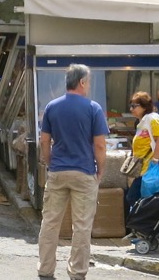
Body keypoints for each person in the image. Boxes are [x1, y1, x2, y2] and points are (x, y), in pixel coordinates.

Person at [37, 64, 108, 280]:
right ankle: (77, 272)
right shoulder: (93, 108)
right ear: (82, 82)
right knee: (82, 227)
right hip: (84, 172)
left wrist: (50, 162)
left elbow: (44, 141)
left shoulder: (52, 106)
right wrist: (100, 171)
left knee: (50, 223)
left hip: (58, 171)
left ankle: (45, 269)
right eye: (88, 82)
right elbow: (100, 146)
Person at [126, 91, 159, 209]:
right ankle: (142, 225)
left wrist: (155, 160)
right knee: (141, 200)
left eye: (134, 106)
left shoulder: (153, 118)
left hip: (150, 168)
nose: (131, 109)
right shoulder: (142, 122)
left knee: (138, 199)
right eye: (131, 105)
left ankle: (144, 225)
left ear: (144, 106)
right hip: (142, 169)